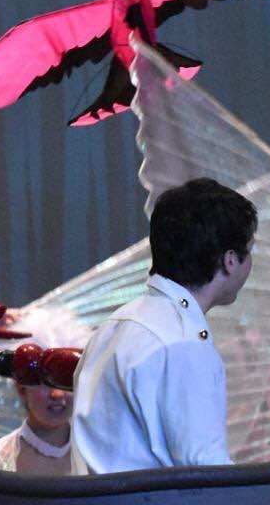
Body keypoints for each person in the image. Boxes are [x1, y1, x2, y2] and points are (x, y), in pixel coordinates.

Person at [71, 177, 255, 474]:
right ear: (230, 260)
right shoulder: (182, 342)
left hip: (97, 502)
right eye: (250, 249)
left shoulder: (113, 325)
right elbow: (206, 472)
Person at [0, 306, 86, 476]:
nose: (57, 394)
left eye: (64, 382)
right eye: (45, 382)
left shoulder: (100, 455)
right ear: (21, 387)